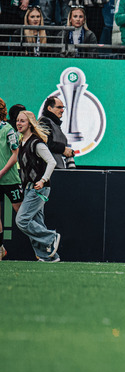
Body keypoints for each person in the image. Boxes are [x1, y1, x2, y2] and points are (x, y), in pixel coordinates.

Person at [11, 109, 59, 261]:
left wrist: (43, 180)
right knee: (37, 222)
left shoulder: (36, 143)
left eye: (22, 121)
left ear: (30, 124)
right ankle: (50, 257)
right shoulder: (21, 142)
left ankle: (51, 237)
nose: (19, 123)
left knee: (22, 220)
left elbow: (52, 162)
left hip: (39, 188)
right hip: (29, 188)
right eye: (18, 121)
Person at [0, 97, 21, 261]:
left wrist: (1, 172)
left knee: (21, 215)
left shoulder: (8, 129)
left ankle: (40, 246)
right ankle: (1, 248)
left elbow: (15, 156)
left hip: (10, 179)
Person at [38, 97, 71, 169]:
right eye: (59, 107)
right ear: (49, 108)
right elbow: (45, 143)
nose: (62, 110)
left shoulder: (54, 124)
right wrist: (63, 149)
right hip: (49, 171)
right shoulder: (44, 122)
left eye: (63, 108)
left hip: (56, 169)